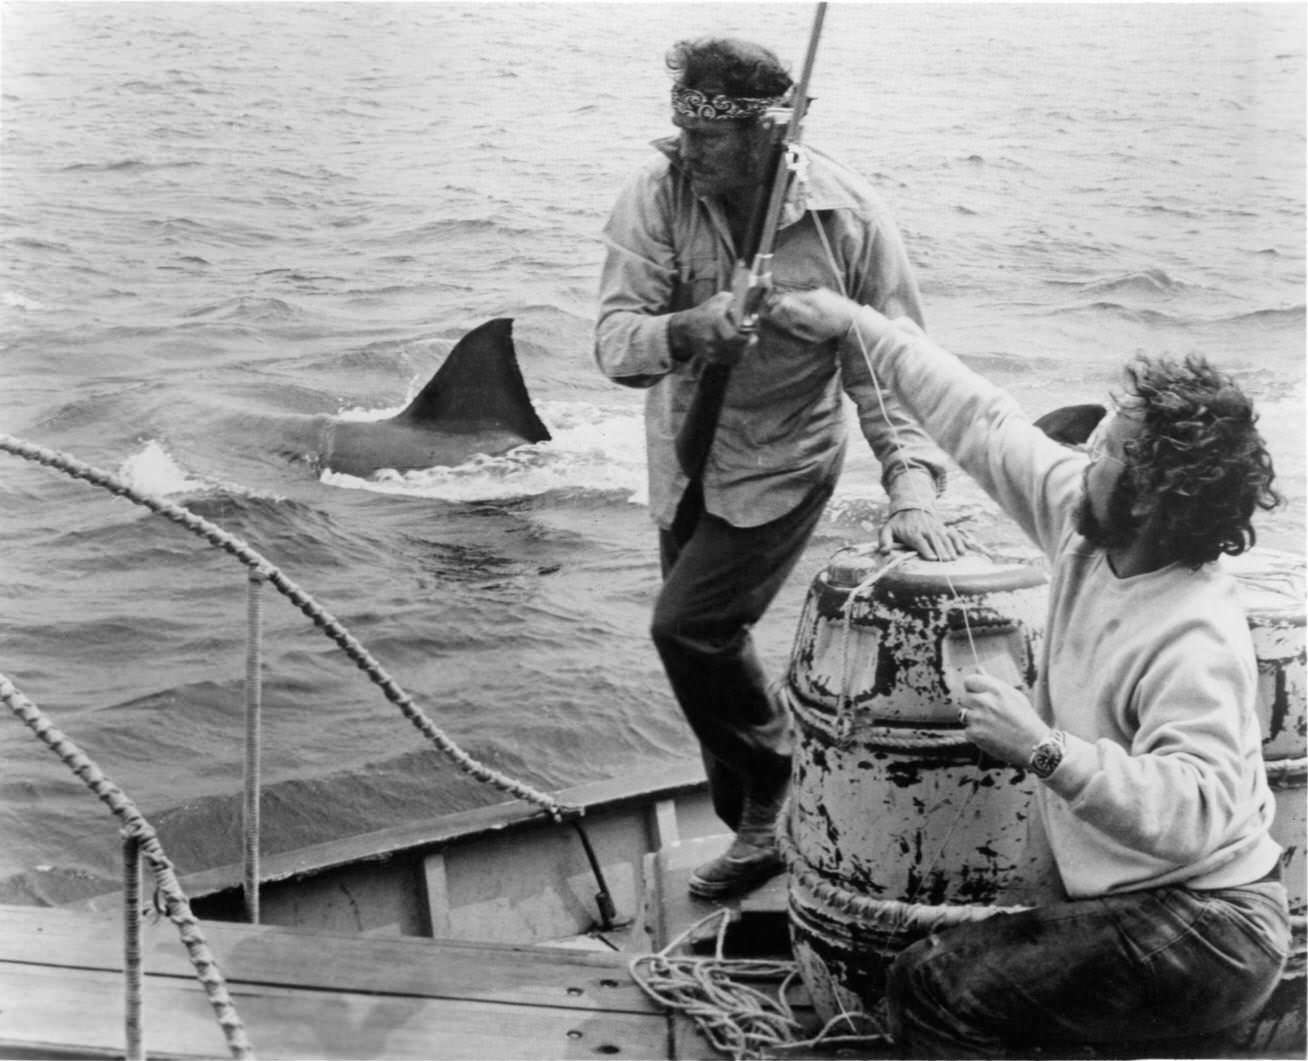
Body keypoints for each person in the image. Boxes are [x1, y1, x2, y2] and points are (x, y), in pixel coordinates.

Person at [765, 286, 1290, 1057]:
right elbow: (983, 420)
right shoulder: (1088, 530)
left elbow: (1198, 807)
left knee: (934, 986)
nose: (1083, 460)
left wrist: (1041, 748)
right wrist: (860, 325)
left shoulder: (1192, 629)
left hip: (1215, 925)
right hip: (1148, 899)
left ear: (1149, 500)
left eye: (1104, 453)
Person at [594, 37, 965, 900]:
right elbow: (615, 344)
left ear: (774, 130)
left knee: (686, 626)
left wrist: (908, 482)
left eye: (710, 138)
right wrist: (690, 329)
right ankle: (763, 831)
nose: (688, 151)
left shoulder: (852, 221)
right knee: (700, 660)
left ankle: (779, 783)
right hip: (681, 457)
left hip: (784, 460)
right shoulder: (656, 192)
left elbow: (889, 368)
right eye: (681, 129)